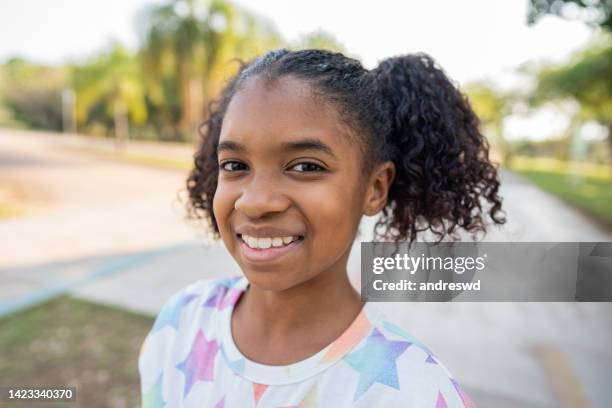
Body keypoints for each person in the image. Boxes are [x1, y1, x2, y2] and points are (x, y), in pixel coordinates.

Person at [138, 48, 505, 407]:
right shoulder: (181, 320)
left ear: (375, 188)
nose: (254, 201)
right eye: (235, 165)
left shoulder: (412, 391)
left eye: (306, 166)